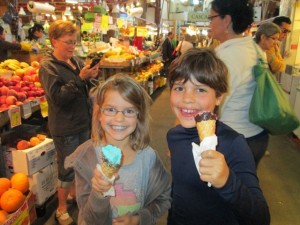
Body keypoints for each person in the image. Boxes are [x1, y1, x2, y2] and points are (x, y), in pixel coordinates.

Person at [166, 48, 270, 225]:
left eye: (200, 89)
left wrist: (226, 181)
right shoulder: (174, 136)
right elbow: (179, 190)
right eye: (179, 87)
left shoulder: (233, 143)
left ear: (219, 97)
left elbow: (260, 218)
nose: (187, 98)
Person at [65, 74, 171, 225]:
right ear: (99, 114)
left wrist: (139, 219)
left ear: (139, 116)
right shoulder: (85, 157)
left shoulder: (149, 158)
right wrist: (99, 193)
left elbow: (163, 197)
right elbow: (90, 218)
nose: (119, 119)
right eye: (110, 109)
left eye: (129, 111)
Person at [38, 20, 100, 225]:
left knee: (80, 163)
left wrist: (91, 76)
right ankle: (61, 208)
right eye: (68, 42)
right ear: (54, 41)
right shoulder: (48, 67)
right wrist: (80, 79)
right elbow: (57, 98)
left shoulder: (77, 61)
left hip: (82, 122)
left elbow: (85, 87)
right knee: (66, 168)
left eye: (74, 41)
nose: (72, 46)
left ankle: (74, 194)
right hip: (65, 127)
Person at [209, 0, 269, 167]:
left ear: (226, 20)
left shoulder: (227, 57)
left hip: (234, 140)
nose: (209, 23)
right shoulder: (254, 48)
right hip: (257, 135)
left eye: (211, 18)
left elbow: (215, 105)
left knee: (226, 189)